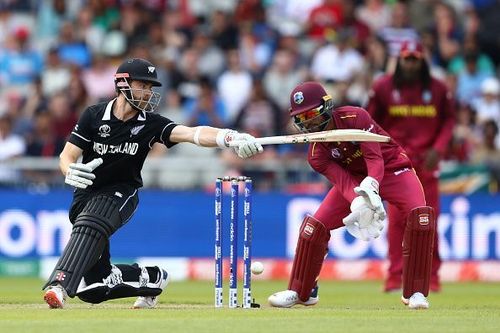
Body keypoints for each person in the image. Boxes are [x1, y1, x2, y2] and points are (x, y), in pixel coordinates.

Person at [42, 58, 263, 309]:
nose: (148, 93)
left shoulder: (150, 122)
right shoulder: (93, 115)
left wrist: (229, 137)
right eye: (143, 86)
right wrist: (69, 170)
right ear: (123, 84)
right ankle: (154, 278)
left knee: (92, 221)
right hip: (86, 193)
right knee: (95, 288)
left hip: (121, 193)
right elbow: (66, 155)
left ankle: (58, 285)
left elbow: (191, 133)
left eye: (151, 88)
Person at [268, 81, 436, 310]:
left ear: (326, 107)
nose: (309, 122)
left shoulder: (356, 118)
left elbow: (374, 158)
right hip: (355, 181)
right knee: (314, 227)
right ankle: (301, 292)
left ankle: (415, 293)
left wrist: (372, 186)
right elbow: (344, 182)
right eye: (301, 118)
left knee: (420, 217)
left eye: (312, 114)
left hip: (393, 169)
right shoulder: (316, 155)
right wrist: (359, 200)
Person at [366, 40, 455, 293]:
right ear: (399, 59)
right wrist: (384, 153)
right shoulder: (383, 87)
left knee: (429, 221)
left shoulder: (437, 89)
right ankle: (395, 276)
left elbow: (448, 121)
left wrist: (438, 148)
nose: (411, 64)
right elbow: (369, 122)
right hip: (397, 164)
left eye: (415, 59)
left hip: (426, 163)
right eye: (407, 59)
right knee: (397, 222)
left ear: (422, 60)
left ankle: (432, 276)